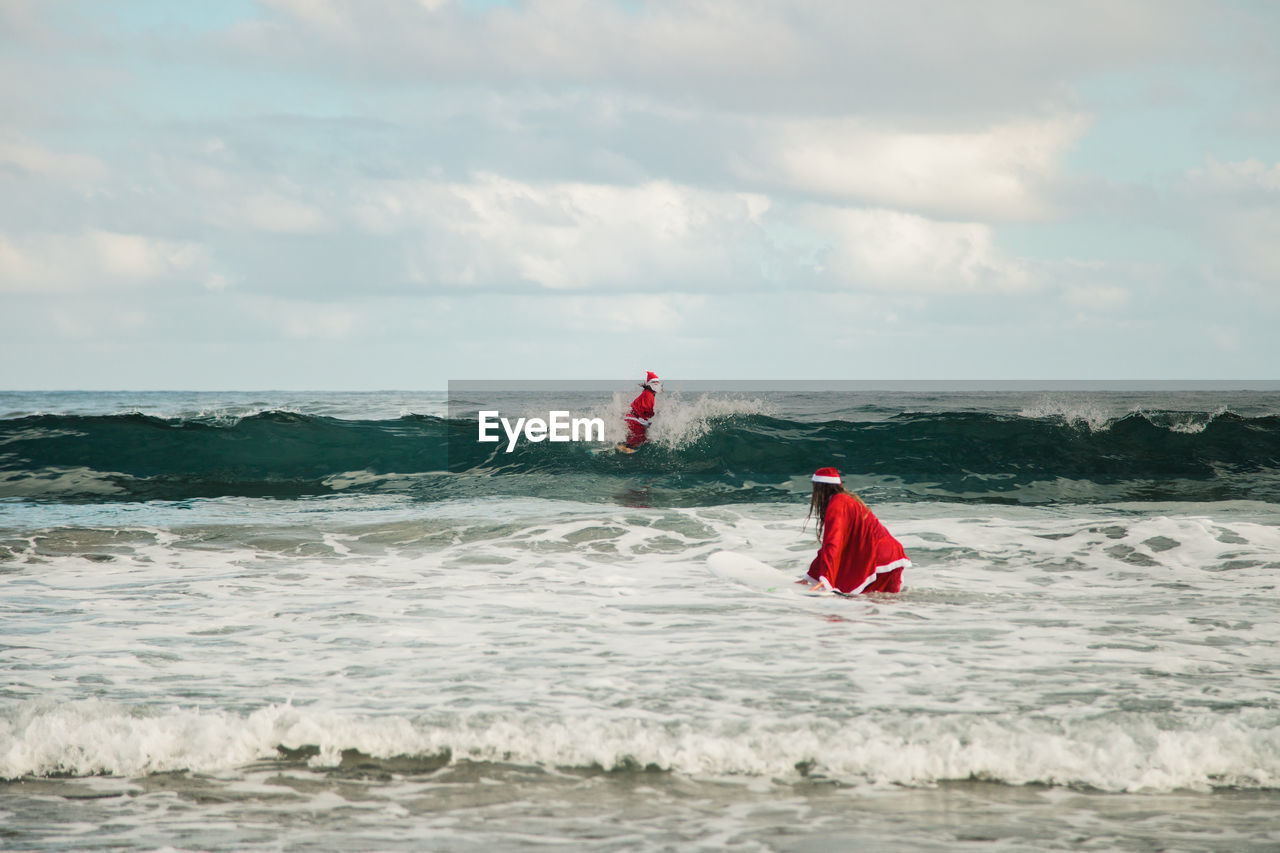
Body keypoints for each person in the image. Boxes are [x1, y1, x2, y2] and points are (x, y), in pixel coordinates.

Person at [799, 467, 910, 594]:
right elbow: (829, 546)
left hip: (878, 559)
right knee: (886, 605)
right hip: (891, 555)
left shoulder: (837, 504)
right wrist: (810, 577)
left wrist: (826, 580)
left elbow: (832, 543)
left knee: (863, 605)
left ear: (820, 488)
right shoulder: (847, 500)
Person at [617, 371, 660, 453]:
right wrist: (653, 415)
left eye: (658, 383)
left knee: (642, 438)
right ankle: (624, 448)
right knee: (639, 437)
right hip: (634, 419)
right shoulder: (648, 394)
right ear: (650, 385)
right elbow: (647, 410)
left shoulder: (649, 394)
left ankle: (623, 445)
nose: (657, 385)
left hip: (634, 418)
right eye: (655, 383)